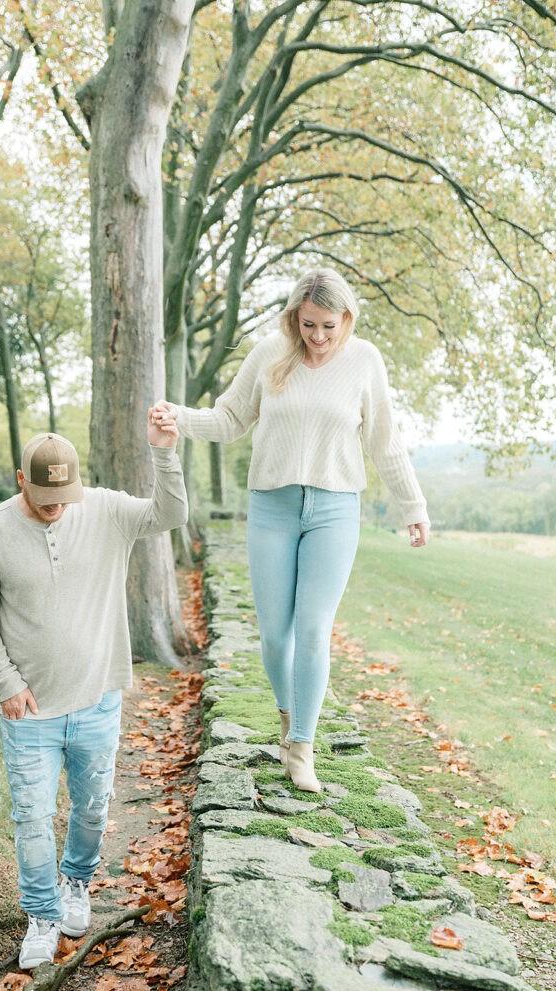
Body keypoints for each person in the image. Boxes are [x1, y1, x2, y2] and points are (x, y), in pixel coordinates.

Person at [153, 267, 429, 793]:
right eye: (308, 325)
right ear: (294, 317)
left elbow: (384, 443)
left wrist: (412, 507)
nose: (318, 338)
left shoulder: (365, 361)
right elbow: (230, 418)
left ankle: (301, 745)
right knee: (276, 638)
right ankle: (287, 719)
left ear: (346, 318)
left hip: (334, 509)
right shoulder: (269, 354)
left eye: (329, 325)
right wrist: (179, 418)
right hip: (272, 508)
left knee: (313, 630)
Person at [0, 414, 187, 969]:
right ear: (21, 479)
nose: (55, 504)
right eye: (44, 494)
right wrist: (6, 683)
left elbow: (172, 514)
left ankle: (76, 884)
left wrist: (163, 451)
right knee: (32, 816)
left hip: (97, 699)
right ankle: (41, 914)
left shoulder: (105, 509)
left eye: (64, 493)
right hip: (30, 710)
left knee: (90, 807)